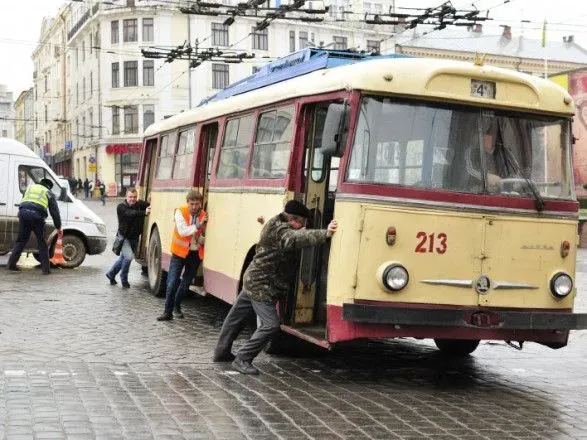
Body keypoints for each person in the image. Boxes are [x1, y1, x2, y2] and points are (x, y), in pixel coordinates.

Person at [213, 200, 338, 375]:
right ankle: (243, 358)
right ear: (293, 220)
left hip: (253, 279)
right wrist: (326, 233)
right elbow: (292, 239)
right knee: (271, 325)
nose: (302, 227)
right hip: (261, 285)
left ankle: (221, 352)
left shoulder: (277, 222)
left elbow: (293, 235)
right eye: (302, 223)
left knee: (235, 318)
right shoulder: (279, 230)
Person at [157, 190, 207, 321]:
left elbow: (200, 235)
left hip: (194, 253)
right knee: (172, 282)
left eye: (197, 204)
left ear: (200, 203)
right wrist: (198, 225)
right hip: (179, 253)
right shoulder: (180, 212)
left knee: (185, 284)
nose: (194, 207)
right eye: (192, 204)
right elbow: (183, 231)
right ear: (187, 203)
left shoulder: (203, 215)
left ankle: (176, 306)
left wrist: (203, 238)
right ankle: (167, 312)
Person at [7, 178, 62, 275]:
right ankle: (46, 270)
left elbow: (25, 201)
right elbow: (55, 212)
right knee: (42, 242)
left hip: (23, 213)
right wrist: (58, 227)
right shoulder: (48, 192)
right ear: (49, 187)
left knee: (21, 240)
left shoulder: (30, 188)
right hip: (37, 216)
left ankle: (11, 265)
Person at [105, 188, 150, 288]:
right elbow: (130, 213)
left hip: (134, 237)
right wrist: (144, 212)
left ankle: (111, 274)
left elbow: (149, 204)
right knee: (128, 257)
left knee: (123, 258)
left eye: (134, 197)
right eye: (130, 197)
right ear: (126, 196)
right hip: (124, 237)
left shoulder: (139, 204)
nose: (132, 199)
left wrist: (150, 200)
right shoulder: (121, 207)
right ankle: (124, 279)